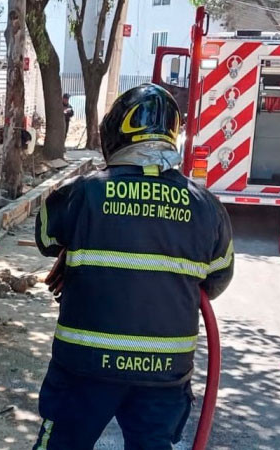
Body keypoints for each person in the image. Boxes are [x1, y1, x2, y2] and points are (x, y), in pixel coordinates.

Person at [33, 83, 234, 449]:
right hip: (164, 373)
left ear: (115, 133)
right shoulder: (207, 206)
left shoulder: (83, 192)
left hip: (86, 364)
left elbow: (46, 239)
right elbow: (217, 281)